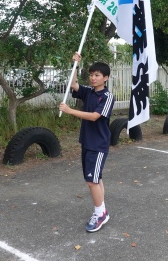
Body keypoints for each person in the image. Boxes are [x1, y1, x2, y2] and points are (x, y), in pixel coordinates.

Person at [59, 52, 115, 233]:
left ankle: (100, 214)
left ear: (105, 78)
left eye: (97, 75)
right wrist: (75, 65)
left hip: (98, 144)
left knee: (91, 181)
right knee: (95, 179)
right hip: (87, 142)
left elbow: (94, 116)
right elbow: (73, 84)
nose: (93, 78)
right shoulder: (89, 92)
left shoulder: (107, 97)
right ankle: (102, 210)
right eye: (91, 74)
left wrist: (70, 111)